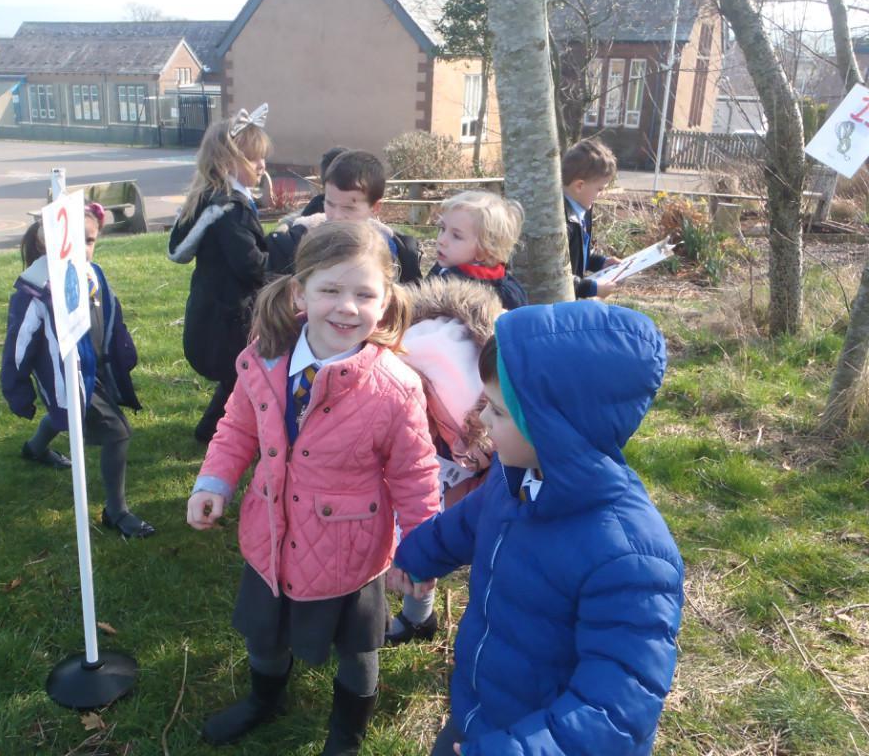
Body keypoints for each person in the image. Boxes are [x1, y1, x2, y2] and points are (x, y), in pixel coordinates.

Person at [186, 221, 440, 755]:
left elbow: (416, 475)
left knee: (357, 649)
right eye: (330, 290)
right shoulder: (265, 358)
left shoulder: (396, 387)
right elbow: (237, 426)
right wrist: (214, 482)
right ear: (300, 293)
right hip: (271, 535)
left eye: (364, 294)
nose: (347, 307)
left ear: (385, 301)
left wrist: (420, 550)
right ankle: (265, 699)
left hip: (351, 550)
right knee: (264, 633)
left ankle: (345, 737)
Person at [392, 301, 684, 756]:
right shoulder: (512, 479)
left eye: (498, 411)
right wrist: (417, 555)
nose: (482, 419)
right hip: (481, 713)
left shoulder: (631, 560)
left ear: (555, 429)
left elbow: (613, 711)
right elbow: (466, 523)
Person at [1, 204, 154, 538]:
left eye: (89, 240)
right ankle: (116, 511)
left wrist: (123, 350)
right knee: (117, 432)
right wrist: (17, 389)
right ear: (49, 243)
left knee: (68, 415)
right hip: (66, 376)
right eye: (75, 241)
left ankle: (34, 449)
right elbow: (18, 346)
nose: (83, 249)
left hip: (98, 368)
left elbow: (113, 314)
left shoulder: (94, 274)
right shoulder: (37, 290)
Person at [385, 278, 502, 645]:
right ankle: (400, 610)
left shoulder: (498, 422)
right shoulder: (398, 385)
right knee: (403, 532)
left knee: (426, 542)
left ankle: (418, 615)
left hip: (452, 482)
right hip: (412, 467)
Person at [168, 103, 272, 443]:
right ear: (229, 162)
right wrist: (286, 248)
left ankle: (211, 429)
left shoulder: (218, 200)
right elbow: (252, 266)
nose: (262, 165)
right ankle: (234, 435)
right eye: (254, 159)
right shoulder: (229, 209)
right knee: (246, 374)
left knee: (240, 376)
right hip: (228, 317)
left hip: (217, 310)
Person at [265, 149, 421, 282]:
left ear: (375, 207)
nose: (337, 216)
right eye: (330, 203)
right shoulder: (294, 244)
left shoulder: (397, 253)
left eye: (349, 208)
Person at [427, 190, 527, 310]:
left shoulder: (491, 297)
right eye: (443, 229)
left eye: (456, 236)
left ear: (483, 251)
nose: (441, 240)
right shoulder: (446, 266)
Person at [563, 138, 623, 299]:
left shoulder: (583, 209)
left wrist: (601, 262)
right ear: (579, 186)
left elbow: (579, 255)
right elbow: (558, 276)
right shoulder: (561, 223)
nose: (601, 194)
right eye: (599, 189)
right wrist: (592, 289)